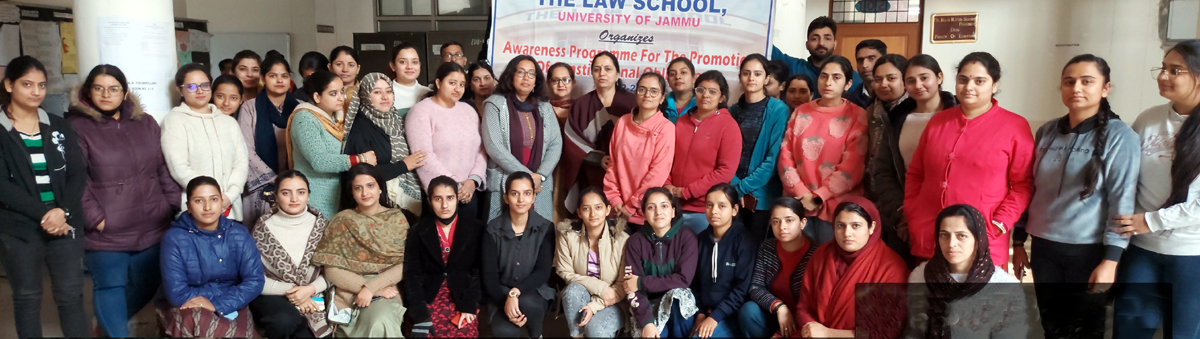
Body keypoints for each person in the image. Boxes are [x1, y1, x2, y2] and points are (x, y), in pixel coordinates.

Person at [1007, 54, 1140, 338]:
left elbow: (1122, 200)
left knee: (1084, 330)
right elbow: (1031, 189)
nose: (1076, 88)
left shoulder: (1121, 136)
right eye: (1069, 82)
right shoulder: (1047, 131)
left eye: (1086, 81)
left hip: (1089, 253)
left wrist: (1111, 261)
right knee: (1052, 326)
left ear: (1105, 88)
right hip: (1044, 250)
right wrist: (1019, 242)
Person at [68, 64, 181, 338]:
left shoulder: (146, 123)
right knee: (110, 286)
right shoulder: (76, 127)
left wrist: (172, 204)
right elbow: (75, 180)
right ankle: (116, 332)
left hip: (153, 223)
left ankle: (107, 329)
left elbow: (162, 168)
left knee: (149, 282)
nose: (106, 94)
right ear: (88, 92)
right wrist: (96, 218)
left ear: (125, 91)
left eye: (113, 88)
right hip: (107, 230)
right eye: (98, 88)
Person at [904, 52, 1034, 265]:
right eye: (963, 80)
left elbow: (1023, 184)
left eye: (979, 81)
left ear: (994, 85)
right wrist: (913, 212)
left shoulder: (1015, 126)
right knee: (929, 296)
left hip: (983, 237)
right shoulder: (938, 122)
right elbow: (916, 173)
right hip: (931, 233)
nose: (968, 87)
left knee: (980, 298)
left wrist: (1000, 224)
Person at [1112, 39, 1200, 338]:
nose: (1164, 76)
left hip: (1191, 254)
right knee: (1130, 330)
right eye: (1162, 68)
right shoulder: (1149, 119)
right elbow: (1125, 177)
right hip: (1142, 250)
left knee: (1183, 333)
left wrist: (1150, 220)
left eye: (1175, 70)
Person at [0, 56, 87, 339]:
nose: (36, 91)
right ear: (9, 85)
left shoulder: (59, 125)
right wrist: (44, 214)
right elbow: (2, 185)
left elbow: (77, 173)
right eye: (27, 84)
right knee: (27, 297)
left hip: (64, 223)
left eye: (41, 85)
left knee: (72, 296)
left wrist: (62, 212)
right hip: (19, 228)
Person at [866, 54, 956, 261]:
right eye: (911, 80)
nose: (918, 85)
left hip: (949, 214)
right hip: (905, 214)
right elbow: (883, 170)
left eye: (924, 78)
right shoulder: (897, 119)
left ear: (939, 77)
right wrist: (901, 213)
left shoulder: (957, 116)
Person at [777, 55, 868, 245]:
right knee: (799, 265)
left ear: (848, 83)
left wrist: (819, 197)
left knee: (830, 265)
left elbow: (852, 167)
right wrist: (802, 195)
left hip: (837, 209)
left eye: (836, 77)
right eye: (824, 76)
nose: (828, 82)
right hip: (799, 204)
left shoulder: (857, 115)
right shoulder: (801, 111)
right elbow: (786, 156)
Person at [158, 176, 264, 338]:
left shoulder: (239, 233)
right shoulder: (174, 239)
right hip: (188, 305)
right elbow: (177, 293)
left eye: (213, 199)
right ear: (189, 207)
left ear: (222, 202)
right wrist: (207, 302)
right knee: (200, 323)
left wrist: (217, 304)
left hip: (232, 303)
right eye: (199, 201)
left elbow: (255, 280)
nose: (207, 207)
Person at [311, 164, 408, 337]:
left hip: (387, 287)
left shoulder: (397, 218)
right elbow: (331, 270)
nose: (365, 193)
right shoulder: (342, 220)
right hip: (348, 291)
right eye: (358, 188)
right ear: (352, 193)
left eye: (370, 186)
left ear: (380, 188)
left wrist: (373, 288)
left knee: (381, 321)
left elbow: (405, 264)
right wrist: (367, 289)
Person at [905, 204, 1027, 338]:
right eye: (944, 235)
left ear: (978, 240)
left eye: (961, 236)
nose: (951, 243)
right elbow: (914, 332)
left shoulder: (1005, 287)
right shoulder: (921, 277)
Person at [797, 197, 907, 338]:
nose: (847, 233)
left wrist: (828, 334)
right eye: (840, 225)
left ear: (871, 227)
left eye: (855, 226)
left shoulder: (891, 268)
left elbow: (886, 331)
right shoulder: (821, 255)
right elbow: (803, 307)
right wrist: (812, 331)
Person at [248, 171, 334, 339]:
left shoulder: (323, 226)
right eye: (286, 193)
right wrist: (294, 292)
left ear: (308, 195)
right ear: (276, 196)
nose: (294, 199)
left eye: (301, 192)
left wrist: (310, 289)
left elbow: (335, 272)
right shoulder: (262, 228)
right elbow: (252, 277)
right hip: (273, 294)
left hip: (314, 295)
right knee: (284, 321)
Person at [163, 63, 249, 221]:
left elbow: (241, 163)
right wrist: (209, 199)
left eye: (204, 85)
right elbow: (179, 167)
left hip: (230, 208)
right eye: (191, 86)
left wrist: (229, 195)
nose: (200, 91)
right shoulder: (175, 121)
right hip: (196, 210)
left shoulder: (228, 122)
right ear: (179, 90)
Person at [482, 54, 563, 221]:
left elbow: (555, 144)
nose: (526, 77)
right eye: (521, 72)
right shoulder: (495, 104)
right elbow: (493, 146)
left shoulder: (545, 107)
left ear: (536, 80)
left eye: (531, 73)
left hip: (539, 182)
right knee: (502, 235)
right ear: (511, 76)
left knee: (537, 234)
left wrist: (540, 176)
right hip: (506, 177)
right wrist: (527, 178)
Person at [404, 176, 485, 338]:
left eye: (450, 198)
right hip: (429, 296)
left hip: (463, 295)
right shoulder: (418, 230)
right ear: (429, 201)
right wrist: (420, 313)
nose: (444, 205)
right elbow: (412, 274)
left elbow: (481, 271)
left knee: (464, 333)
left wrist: (470, 304)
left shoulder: (476, 228)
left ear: (457, 198)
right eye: (438, 199)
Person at [407, 62, 488, 219]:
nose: (457, 89)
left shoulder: (468, 110)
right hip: (440, 197)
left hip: (469, 194)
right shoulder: (421, 111)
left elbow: (481, 150)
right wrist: (454, 187)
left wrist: (473, 181)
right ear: (438, 83)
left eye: (462, 84)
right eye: (452, 83)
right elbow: (423, 156)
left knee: (470, 240)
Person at [482, 172, 557, 338]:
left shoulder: (546, 228)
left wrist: (515, 292)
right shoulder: (491, 230)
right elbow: (489, 276)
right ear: (506, 197)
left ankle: (536, 335)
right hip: (500, 293)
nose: (521, 199)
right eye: (515, 193)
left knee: (527, 302)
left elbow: (543, 272)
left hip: (534, 291)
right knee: (503, 332)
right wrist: (506, 303)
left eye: (527, 193)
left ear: (534, 197)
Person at [668, 70, 742, 235]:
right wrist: (668, 185)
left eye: (712, 91)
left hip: (704, 211)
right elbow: (667, 158)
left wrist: (687, 192)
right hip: (673, 207)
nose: (705, 95)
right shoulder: (681, 122)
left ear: (722, 98)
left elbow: (725, 171)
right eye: (701, 90)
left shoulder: (728, 126)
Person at [561, 52, 637, 213]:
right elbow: (571, 140)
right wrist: (598, 158)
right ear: (592, 74)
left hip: (627, 175)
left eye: (608, 69)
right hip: (590, 174)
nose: (602, 73)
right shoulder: (580, 105)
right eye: (597, 69)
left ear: (617, 75)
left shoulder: (633, 103)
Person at [343, 72, 426, 217]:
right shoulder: (360, 129)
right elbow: (362, 175)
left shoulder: (396, 120)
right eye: (377, 92)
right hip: (380, 206)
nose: (385, 97)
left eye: (389, 91)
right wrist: (404, 165)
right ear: (365, 96)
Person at [286, 70, 364, 218]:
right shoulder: (305, 118)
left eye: (341, 92)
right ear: (317, 96)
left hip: (335, 193)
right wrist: (360, 159)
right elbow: (319, 161)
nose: (341, 98)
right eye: (333, 94)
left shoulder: (336, 119)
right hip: (314, 194)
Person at [728, 54, 790, 240]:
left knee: (755, 251)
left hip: (761, 196)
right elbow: (725, 155)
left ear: (767, 78)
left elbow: (773, 158)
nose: (751, 78)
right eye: (746, 73)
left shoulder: (778, 109)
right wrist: (734, 186)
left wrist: (742, 187)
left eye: (757, 73)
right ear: (740, 77)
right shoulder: (731, 111)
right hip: (732, 193)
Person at [604, 72, 676, 229]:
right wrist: (614, 198)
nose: (647, 95)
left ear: (662, 97)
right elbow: (613, 164)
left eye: (654, 91)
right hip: (617, 209)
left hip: (645, 212)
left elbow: (658, 172)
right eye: (642, 89)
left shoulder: (666, 128)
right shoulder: (622, 122)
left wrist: (633, 204)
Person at [737, 198, 818, 338]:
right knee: (748, 310)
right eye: (776, 221)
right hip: (774, 313)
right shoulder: (767, 247)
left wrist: (779, 335)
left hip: (803, 321)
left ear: (802, 223)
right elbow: (756, 287)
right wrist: (779, 307)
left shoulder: (816, 254)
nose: (782, 227)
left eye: (789, 220)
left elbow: (814, 306)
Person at [624, 187, 698, 338]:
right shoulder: (634, 242)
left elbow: (683, 280)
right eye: (651, 207)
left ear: (672, 211)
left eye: (664, 206)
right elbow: (632, 287)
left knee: (679, 295)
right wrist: (647, 323)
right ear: (644, 213)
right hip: (648, 306)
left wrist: (641, 282)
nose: (658, 212)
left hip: (676, 305)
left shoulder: (687, 237)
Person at [555, 186, 629, 337]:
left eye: (598, 207)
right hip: (584, 295)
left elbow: (622, 285)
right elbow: (564, 271)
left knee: (596, 330)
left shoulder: (622, 240)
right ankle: (577, 335)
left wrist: (594, 306)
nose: (593, 214)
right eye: (587, 209)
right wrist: (600, 288)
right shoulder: (568, 235)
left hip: (614, 301)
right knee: (572, 291)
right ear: (579, 213)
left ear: (608, 210)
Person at [238, 55, 301, 228]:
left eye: (284, 76)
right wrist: (274, 179)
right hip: (262, 187)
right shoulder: (250, 107)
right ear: (263, 78)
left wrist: (289, 180)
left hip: (295, 185)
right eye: (273, 76)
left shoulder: (301, 108)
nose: (280, 80)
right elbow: (246, 150)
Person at [690, 184, 756, 338]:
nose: (714, 211)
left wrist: (714, 317)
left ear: (734, 210)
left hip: (732, 314)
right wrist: (699, 313)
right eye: (709, 205)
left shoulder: (744, 242)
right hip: (704, 311)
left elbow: (742, 290)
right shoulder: (699, 241)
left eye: (722, 206)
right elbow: (694, 284)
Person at [771, 16, 864, 97]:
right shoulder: (793, 66)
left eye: (827, 38)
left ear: (835, 44)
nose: (821, 43)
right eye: (815, 38)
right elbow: (764, 43)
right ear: (807, 44)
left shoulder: (850, 76)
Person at [390, 43, 431, 115]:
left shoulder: (429, 94)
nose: (409, 67)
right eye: (403, 62)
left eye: (414, 62)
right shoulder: (385, 95)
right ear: (393, 66)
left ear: (419, 65)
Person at [847, 39, 886, 108]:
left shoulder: (894, 96)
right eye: (860, 60)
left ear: (884, 59)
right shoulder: (850, 100)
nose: (864, 65)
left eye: (871, 58)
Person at [662, 57, 697, 123]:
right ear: (668, 81)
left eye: (683, 72)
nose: (677, 77)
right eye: (672, 74)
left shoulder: (701, 104)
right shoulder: (661, 104)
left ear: (694, 78)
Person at [329, 46, 361, 114]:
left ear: (358, 68)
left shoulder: (365, 94)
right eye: (339, 64)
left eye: (351, 65)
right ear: (330, 67)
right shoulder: (323, 94)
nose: (345, 69)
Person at [547, 62, 575, 127]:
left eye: (566, 80)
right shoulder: (542, 109)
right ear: (548, 83)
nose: (560, 84)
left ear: (573, 83)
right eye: (555, 80)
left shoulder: (581, 108)